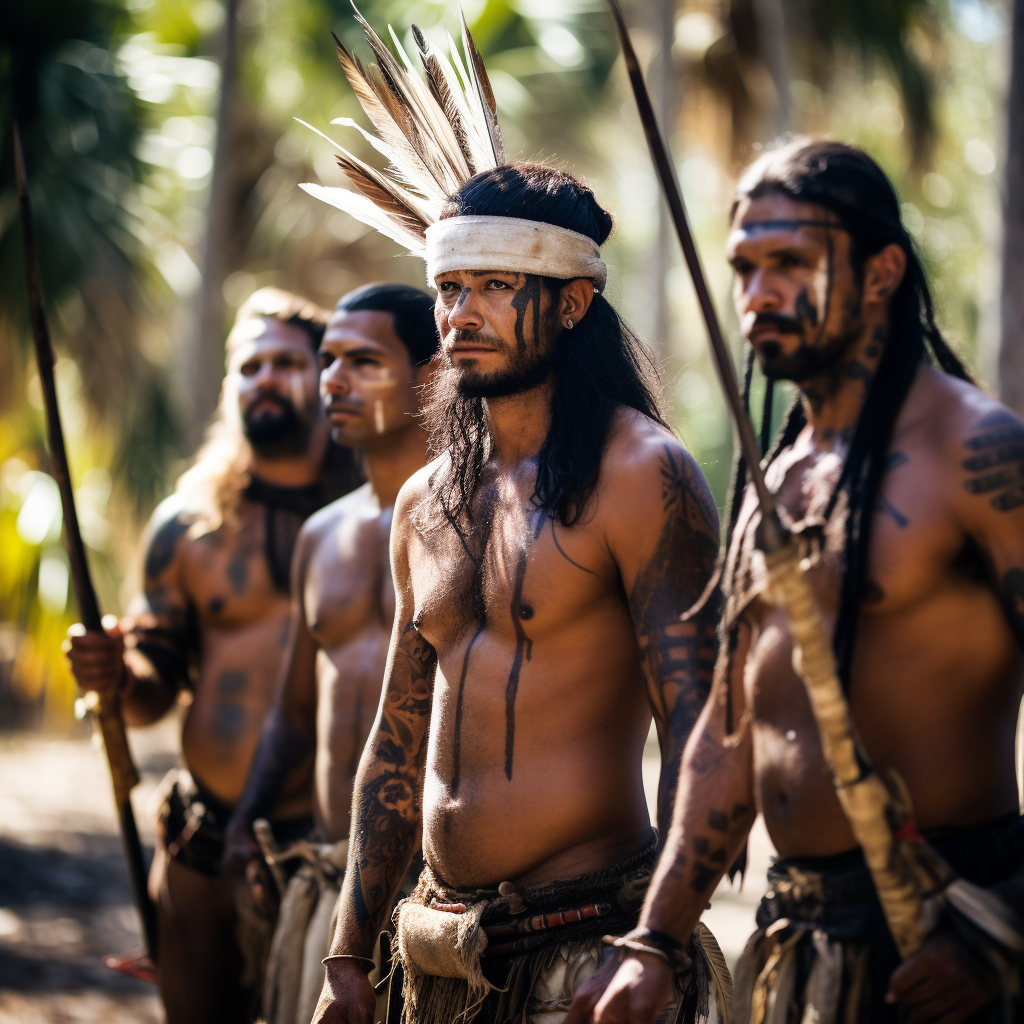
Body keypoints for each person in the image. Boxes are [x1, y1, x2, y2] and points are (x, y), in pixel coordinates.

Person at [570, 137, 1024, 1024]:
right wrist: (656, 940)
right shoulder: (779, 479)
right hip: (804, 942)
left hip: (952, 934)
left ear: (883, 271)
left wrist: (1004, 922)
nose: (757, 295)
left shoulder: (974, 452)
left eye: (791, 263)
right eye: (743, 267)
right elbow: (731, 736)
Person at [309, 157, 726, 1024]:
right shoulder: (426, 503)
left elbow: (704, 736)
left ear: (572, 303)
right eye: (449, 288)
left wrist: (654, 943)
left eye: (496, 285)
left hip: (585, 950)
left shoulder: (643, 476)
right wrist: (348, 956)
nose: (462, 314)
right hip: (436, 952)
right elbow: (395, 742)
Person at [63, 288, 362, 1024]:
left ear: (325, 377)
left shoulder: (384, 509)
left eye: (286, 363)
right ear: (231, 387)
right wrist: (115, 676)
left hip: (342, 858)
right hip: (206, 848)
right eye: (249, 365)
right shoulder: (188, 525)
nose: (264, 378)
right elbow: (152, 693)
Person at [221, 283, 440, 1024]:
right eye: (329, 360)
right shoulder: (323, 535)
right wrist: (245, 823)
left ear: (432, 375)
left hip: (433, 895)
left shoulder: (475, 524)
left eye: (364, 361)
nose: (334, 381)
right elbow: (292, 707)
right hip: (323, 877)